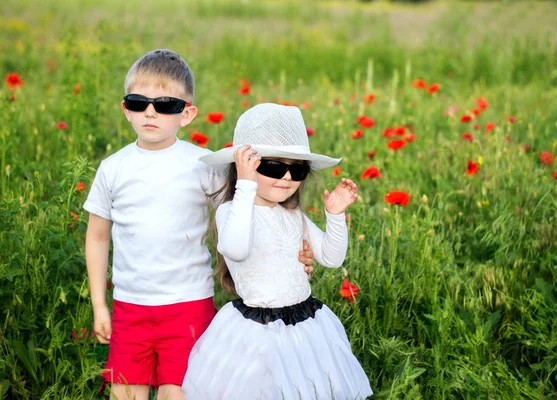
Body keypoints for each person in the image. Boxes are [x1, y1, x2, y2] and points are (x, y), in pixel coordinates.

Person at [83, 50, 315, 400]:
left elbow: (241, 224)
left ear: (186, 114)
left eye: (166, 105)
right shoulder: (113, 168)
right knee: (125, 394)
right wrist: (100, 304)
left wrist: (289, 256)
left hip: (189, 302)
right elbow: (98, 237)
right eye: (139, 101)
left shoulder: (201, 164)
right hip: (130, 306)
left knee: (180, 393)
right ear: (126, 108)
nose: (150, 112)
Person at [182, 103, 373, 399]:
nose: (286, 178)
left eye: (297, 170)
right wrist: (245, 185)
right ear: (245, 167)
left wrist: (335, 216)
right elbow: (235, 248)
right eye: (273, 167)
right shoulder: (232, 212)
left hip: (305, 326)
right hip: (256, 331)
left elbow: (332, 258)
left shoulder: (293, 215)